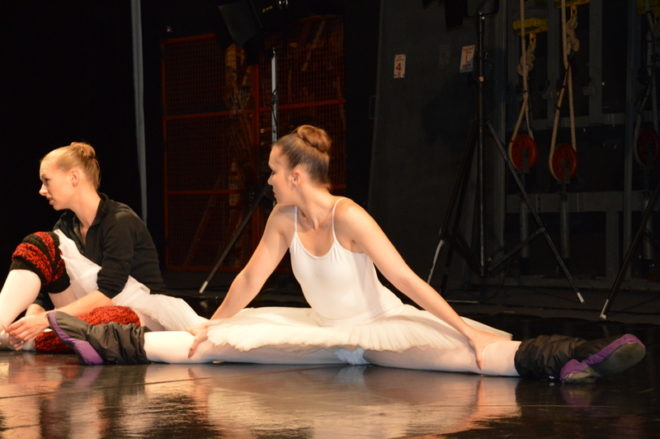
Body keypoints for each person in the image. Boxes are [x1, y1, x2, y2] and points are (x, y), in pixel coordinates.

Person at [46, 126, 646, 383]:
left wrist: (460, 325)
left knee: (472, 357)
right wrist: (215, 323)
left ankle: (574, 357)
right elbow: (251, 278)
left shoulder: (348, 216)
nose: (268, 181)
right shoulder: (283, 218)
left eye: (274, 172)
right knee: (214, 345)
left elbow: (406, 279)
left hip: (377, 326)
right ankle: (106, 343)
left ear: (298, 175)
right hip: (323, 330)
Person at [0, 142, 205, 351]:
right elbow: (46, 285)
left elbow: (108, 295)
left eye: (47, 180)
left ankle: (35, 339)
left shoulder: (119, 221)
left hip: (140, 311)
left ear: (74, 177)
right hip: (84, 311)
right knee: (39, 243)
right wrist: (31, 319)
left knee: (107, 323)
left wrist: (45, 320)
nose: (42, 190)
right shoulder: (65, 226)